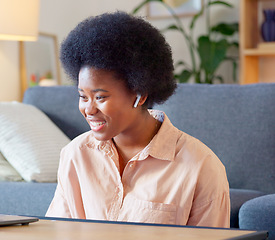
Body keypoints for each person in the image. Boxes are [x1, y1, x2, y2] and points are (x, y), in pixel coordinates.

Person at [45, 11, 230, 228]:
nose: (89, 109)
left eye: (100, 97)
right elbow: (57, 232)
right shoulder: (75, 154)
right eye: (82, 97)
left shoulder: (201, 167)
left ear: (139, 94)